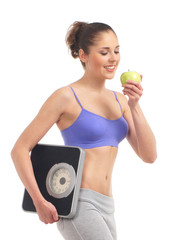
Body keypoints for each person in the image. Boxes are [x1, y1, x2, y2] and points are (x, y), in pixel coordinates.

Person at [11, 21, 157, 240]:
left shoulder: (120, 100)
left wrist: (135, 105)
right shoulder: (66, 96)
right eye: (104, 52)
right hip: (79, 202)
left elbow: (149, 155)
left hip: (107, 205)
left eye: (116, 51)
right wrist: (39, 201)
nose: (113, 58)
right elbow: (20, 149)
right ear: (83, 55)